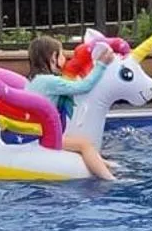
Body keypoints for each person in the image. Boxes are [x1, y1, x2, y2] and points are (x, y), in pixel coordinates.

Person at [25, 35, 116, 180]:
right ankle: (110, 179)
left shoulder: (33, 80)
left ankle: (105, 164)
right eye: (62, 54)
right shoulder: (50, 82)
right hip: (44, 137)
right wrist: (102, 65)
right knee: (85, 144)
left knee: (77, 141)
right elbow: (84, 87)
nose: (65, 58)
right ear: (53, 57)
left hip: (37, 133)